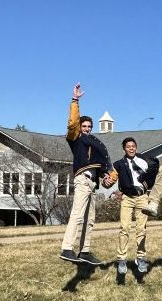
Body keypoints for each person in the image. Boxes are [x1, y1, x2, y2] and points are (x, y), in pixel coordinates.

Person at [60, 83, 113, 265]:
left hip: (93, 183)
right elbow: (72, 123)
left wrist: (106, 175)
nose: (87, 128)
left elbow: (102, 162)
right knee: (77, 214)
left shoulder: (94, 142)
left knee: (90, 219)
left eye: (89, 126)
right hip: (82, 179)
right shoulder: (76, 138)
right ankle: (67, 248)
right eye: (84, 125)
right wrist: (75, 100)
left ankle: (85, 251)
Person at [106, 137, 160, 285]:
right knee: (124, 228)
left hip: (142, 197)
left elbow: (154, 173)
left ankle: (141, 257)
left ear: (136, 147)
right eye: (128, 146)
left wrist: (149, 182)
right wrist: (107, 183)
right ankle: (122, 259)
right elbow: (111, 179)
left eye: (133, 146)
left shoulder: (144, 161)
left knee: (141, 229)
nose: (131, 148)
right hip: (127, 198)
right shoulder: (118, 164)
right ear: (124, 148)